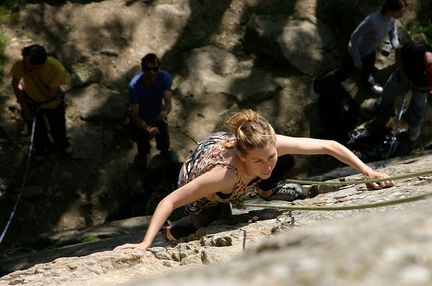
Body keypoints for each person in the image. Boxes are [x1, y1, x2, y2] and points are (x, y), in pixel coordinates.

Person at [114, 109, 394, 251]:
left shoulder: (268, 146)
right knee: (210, 217)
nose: (267, 164)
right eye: (259, 160)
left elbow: (328, 145)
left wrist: (365, 171)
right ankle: (171, 232)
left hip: (238, 166)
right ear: (243, 155)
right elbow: (171, 200)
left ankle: (267, 191)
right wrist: (144, 243)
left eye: (269, 156)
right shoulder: (222, 176)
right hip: (200, 178)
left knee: (288, 156)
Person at [311, 0, 406, 99]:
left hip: (370, 51)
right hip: (354, 52)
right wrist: (357, 60)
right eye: (400, 12)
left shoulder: (391, 19)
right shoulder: (372, 21)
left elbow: (393, 32)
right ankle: (317, 84)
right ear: (391, 10)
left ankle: (369, 83)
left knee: (367, 71)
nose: (402, 15)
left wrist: (396, 45)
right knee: (343, 74)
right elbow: (354, 37)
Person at [11, 44, 69, 158]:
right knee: (36, 128)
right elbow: (15, 83)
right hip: (30, 100)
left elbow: (48, 95)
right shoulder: (21, 62)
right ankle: (41, 148)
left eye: (27, 64)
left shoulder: (56, 69)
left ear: (37, 66)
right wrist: (24, 107)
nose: (23, 64)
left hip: (52, 103)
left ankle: (62, 145)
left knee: (58, 126)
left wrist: (34, 77)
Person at [375, 39, 432, 142]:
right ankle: (383, 110)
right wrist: (404, 76)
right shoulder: (415, 50)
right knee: (388, 93)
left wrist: (427, 87)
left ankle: (414, 126)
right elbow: (398, 52)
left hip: (422, 88)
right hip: (402, 76)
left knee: (419, 107)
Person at [129, 53, 173, 168]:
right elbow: (134, 114)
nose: (152, 72)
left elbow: (168, 103)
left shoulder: (164, 78)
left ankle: (165, 153)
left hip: (158, 114)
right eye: (148, 69)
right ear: (143, 69)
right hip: (141, 118)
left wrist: (164, 112)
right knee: (142, 144)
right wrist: (146, 128)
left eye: (155, 69)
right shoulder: (135, 86)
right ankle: (142, 158)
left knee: (164, 140)